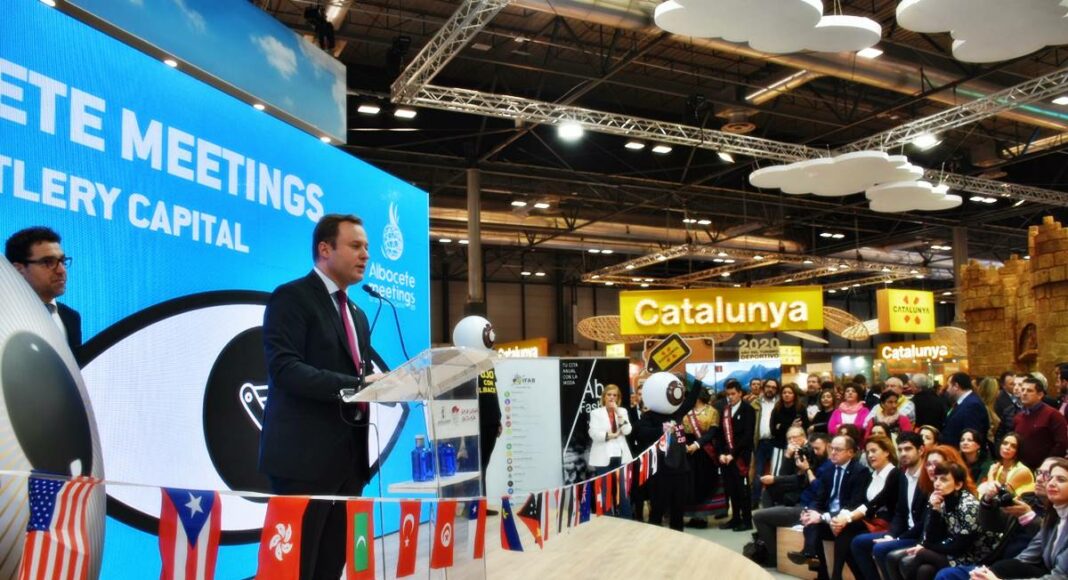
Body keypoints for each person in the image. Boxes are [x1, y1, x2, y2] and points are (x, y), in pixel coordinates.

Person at [259, 214, 381, 579]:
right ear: (325, 249)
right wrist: (357, 386)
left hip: (350, 463)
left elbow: (358, 375)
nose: (365, 254)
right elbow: (285, 370)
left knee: (329, 567)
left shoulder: (358, 313)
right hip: (304, 463)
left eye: (367, 247)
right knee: (294, 570)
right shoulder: (292, 297)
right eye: (355, 246)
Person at [969, 458, 1068, 580]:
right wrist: (987, 500)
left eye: (1060, 479)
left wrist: (1030, 518)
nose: (1049, 482)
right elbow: (1025, 556)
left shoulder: (1052, 514)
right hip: (1000, 562)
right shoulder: (1030, 501)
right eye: (1050, 477)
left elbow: (1061, 576)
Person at [788, 435, 871, 580]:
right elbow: (819, 498)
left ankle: (834, 574)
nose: (833, 453)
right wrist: (810, 511)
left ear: (851, 452)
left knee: (841, 530)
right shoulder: (828, 469)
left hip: (850, 517)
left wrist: (825, 517)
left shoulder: (860, 472)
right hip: (829, 514)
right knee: (811, 523)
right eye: (832, 448)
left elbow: (854, 504)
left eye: (838, 450)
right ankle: (814, 560)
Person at [896, 462, 998, 580]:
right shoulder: (943, 501)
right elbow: (933, 538)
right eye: (936, 479)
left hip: (979, 558)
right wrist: (935, 509)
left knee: (922, 553)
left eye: (943, 480)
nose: (937, 483)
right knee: (925, 570)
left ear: (958, 485)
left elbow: (959, 547)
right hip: (959, 554)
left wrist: (927, 546)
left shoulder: (969, 506)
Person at [852, 432, 928, 580]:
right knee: (858, 542)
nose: (903, 453)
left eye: (908, 449)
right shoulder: (904, 476)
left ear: (921, 450)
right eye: (900, 450)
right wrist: (891, 535)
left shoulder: (928, 478)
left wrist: (896, 539)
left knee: (881, 548)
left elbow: (924, 522)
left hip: (919, 536)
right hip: (904, 531)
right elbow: (900, 513)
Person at [636, 368, 705, 531]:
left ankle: (678, 537)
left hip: (680, 469)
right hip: (660, 471)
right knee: (657, 509)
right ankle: (654, 540)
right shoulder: (649, 416)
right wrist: (662, 430)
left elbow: (690, 401)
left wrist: (698, 381)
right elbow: (641, 433)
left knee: (678, 510)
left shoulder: (677, 412)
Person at [749, 432, 830, 566]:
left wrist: (807, 470)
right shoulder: (810, 457)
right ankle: (769, 538)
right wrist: (788, 458)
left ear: (828, 447)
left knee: (759, 516)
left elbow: (820, 492)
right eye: (813, 448)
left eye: (817, 449)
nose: (814, 452)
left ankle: (775, 557)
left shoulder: (828, 467)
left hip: (808, 508)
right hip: (799, 499)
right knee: (768, 492)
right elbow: (792, 478)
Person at [4, 226, 81, 353]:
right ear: (18, 269)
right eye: (48, 262)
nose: (61, 270)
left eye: (62, 261)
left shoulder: (71, 317)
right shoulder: (4, 313)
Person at [837, 435, 903, 580]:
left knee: (850, 536)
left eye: (874, 451)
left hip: (887, 523)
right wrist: (842, 517)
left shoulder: (895, 474)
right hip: (871, 521)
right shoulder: (872, 474)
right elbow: (861, 501)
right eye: (868, 452)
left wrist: (848, 518)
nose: (870, 455)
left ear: (887, 452)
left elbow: (876, 502)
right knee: (843, 533)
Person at [718, 379, 756, 531]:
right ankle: (735, 518)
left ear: (740, 393)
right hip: (726, 457)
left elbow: (747, 436)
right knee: (731, 488)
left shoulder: (748, 409)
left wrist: (733, 454)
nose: (730, 397)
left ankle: (746, 521)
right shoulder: (725, 410)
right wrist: (722, 453)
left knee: (743, 490)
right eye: (728, 394)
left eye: (733, 394)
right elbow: (721, 435)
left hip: (741, 456)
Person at [682, 386, 721, 527]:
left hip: (705, 452)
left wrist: (697, 444)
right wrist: (684, 444)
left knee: (704, 483)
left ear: (698, 397)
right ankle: (692, 515)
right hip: (687, 451)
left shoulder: (712, 411)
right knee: (690, 484)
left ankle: (702, 517)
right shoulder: (685, 410)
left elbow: (712, 432)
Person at [1014, 376, 1068, 470]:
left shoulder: (1053, 415)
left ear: (1040, 395)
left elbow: (1061, 444)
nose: (1024, 393)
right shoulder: (1018, 417)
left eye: (1029, 391)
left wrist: (1046, 465)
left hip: (1045, 469)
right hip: (1022, 468)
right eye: (1023, 390)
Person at [751, 378, 780, 506]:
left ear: (777, 390)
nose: (770, 389)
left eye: (774, 388)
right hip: (760, 442)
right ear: (763, 388)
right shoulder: (755, 403)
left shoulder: (780, 403)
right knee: (758, 472)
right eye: (768, 386)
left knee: (776, 472)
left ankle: (773, 501)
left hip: (776, 442)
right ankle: (754, 501)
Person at [942, 373, 990, 448]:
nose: (947, 390)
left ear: (956, 386)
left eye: (949, 386)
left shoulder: (972, 405)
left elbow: (972, 435)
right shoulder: (964, 402)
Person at [981, 433, 1035, 499]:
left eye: (1013, 446)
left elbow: (999, 495)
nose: (1007, 447)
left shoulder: (1023, 471)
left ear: (1018, 451)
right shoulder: (998, 468)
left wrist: (990, 474)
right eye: (1005, 443)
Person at [627, 374, 649, 522]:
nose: (642, 397)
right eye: (640, 394)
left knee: (652, 487)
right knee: (637, 488)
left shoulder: (655, 413)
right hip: (635, 455)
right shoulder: (629, 412)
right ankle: (639, 516)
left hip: (651, 454)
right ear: (636, 396)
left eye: (644, 394)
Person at [994, 372, 1022, 444]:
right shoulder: (1007, 409)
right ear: (1004, 386)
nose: (1016, 388)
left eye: (1020, 385)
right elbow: (1000, 433)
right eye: (1013, 384)